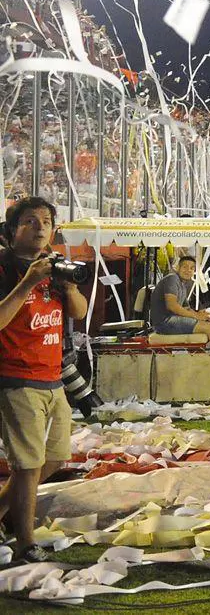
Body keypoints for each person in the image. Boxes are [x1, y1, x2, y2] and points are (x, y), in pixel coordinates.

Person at [0, 197, 89, 563]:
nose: (40, 227)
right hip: (17, 378)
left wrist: (68, 287)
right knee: (28, 465)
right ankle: (25, 543)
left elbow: (80, 313)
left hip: (53, 378)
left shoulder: (56, 267)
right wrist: (28, 281)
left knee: (54, 458)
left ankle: (4, 514)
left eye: (47, 221)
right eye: (30, 221)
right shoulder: (5, 268)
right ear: (11, 231)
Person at [149, 254, 210, 349]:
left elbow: (186, 308)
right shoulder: (172, 279)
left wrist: (199, 313)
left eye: (192, 268)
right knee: (208, 328)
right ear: (178, 268)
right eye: (185, 267)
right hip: (164, 322)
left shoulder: (182, 285)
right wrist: (197, 316)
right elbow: (172, 306)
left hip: (172, 320)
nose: (188, 270)